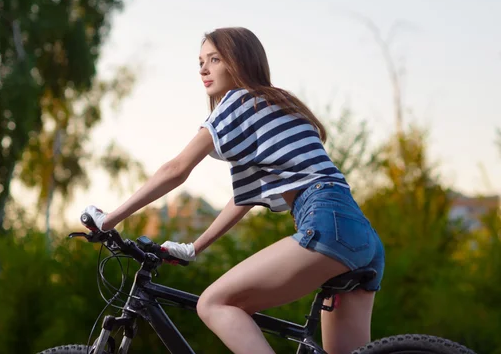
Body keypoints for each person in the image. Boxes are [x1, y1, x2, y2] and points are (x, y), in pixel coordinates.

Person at [82, 27, 385, 354]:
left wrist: (109, 220)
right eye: (200, 61)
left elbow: (176, 169)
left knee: (212, 304)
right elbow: (244, 199)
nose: (203, 69)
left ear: (239, 62)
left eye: (215, 59)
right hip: (360, 237)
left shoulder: (240, 101)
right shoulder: (274, 107)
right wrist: (194, 248)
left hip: (326, 224)